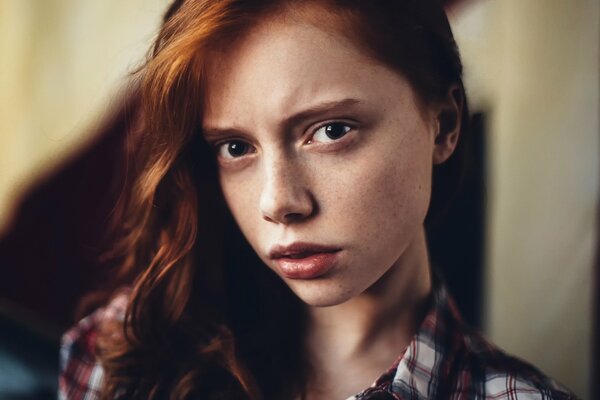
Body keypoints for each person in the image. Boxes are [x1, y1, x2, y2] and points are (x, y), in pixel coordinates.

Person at [58, 0, 578, 399]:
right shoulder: (118, 358)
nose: (279, 202)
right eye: (236, 147)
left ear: (443, 125)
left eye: (331, 131)